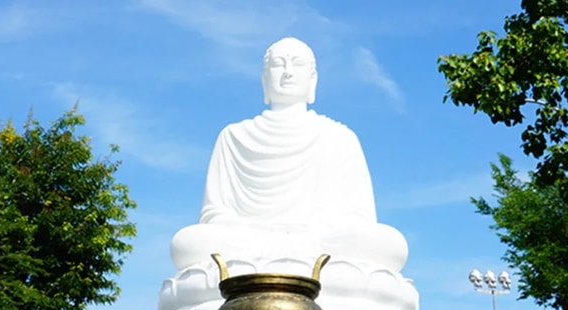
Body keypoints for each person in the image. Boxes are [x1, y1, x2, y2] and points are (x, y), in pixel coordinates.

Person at [170, 36, 408, 272]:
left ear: (312, 78)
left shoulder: (340, 137)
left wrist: (316, 232)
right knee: (188, 243)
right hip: (250, 242)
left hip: (323, 243)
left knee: (388, 244)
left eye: (297, 64)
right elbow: (215, 213)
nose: (287, 72)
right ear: (265, 80)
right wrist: (252, 233)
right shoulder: (233, 136)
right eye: (278, 64)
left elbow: (359, 216)